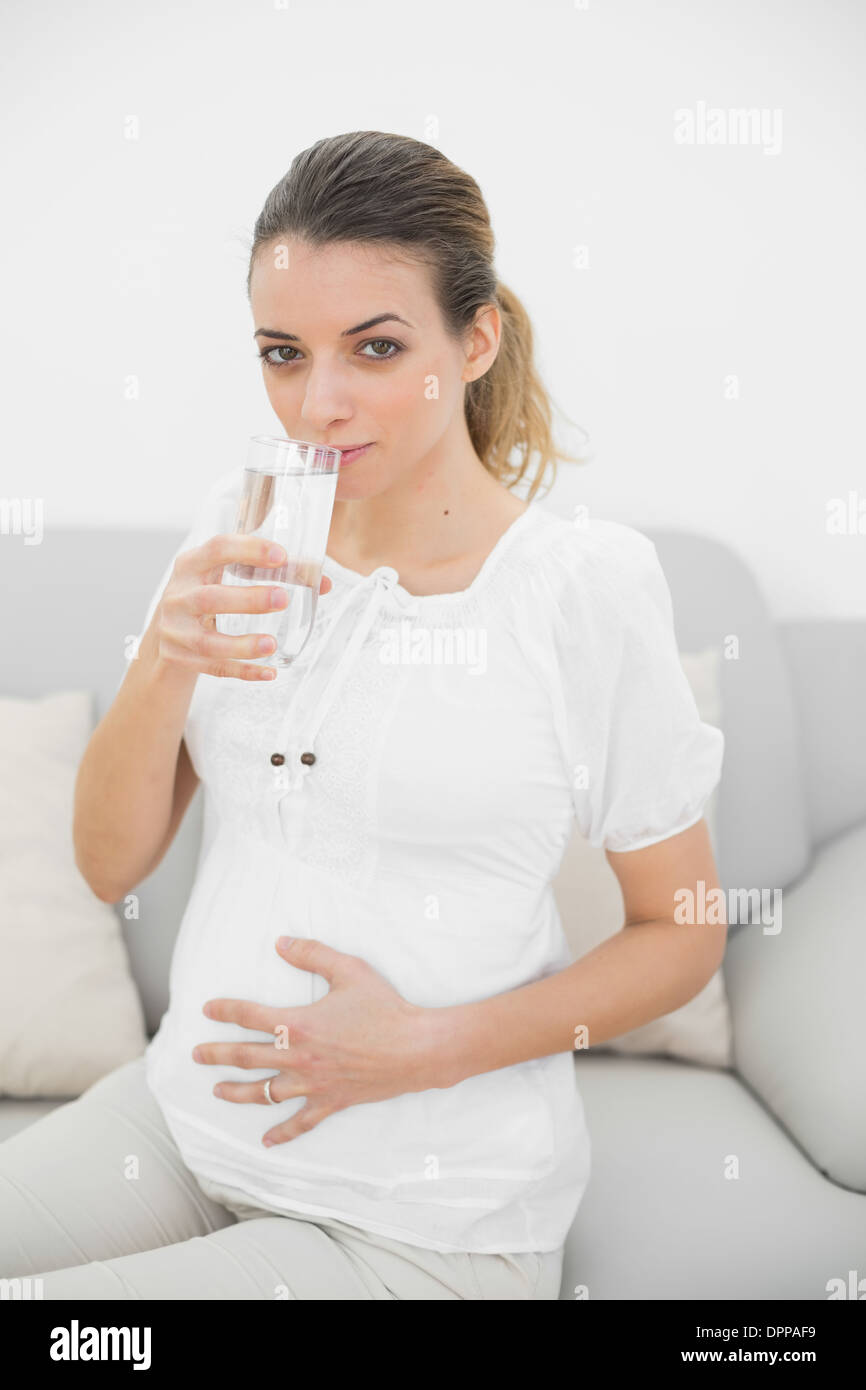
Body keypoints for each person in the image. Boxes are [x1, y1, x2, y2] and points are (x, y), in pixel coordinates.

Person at [0, 131, 726, 1301]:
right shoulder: (234, 527)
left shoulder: (580, 590)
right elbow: (106, 863)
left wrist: (426, 1047)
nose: (318, 404)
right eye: (282, 354)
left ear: (473, 339)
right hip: (183, 1119)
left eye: (375, 349)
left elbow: (682, 930)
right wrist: (161, 665)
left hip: (419, 1217)